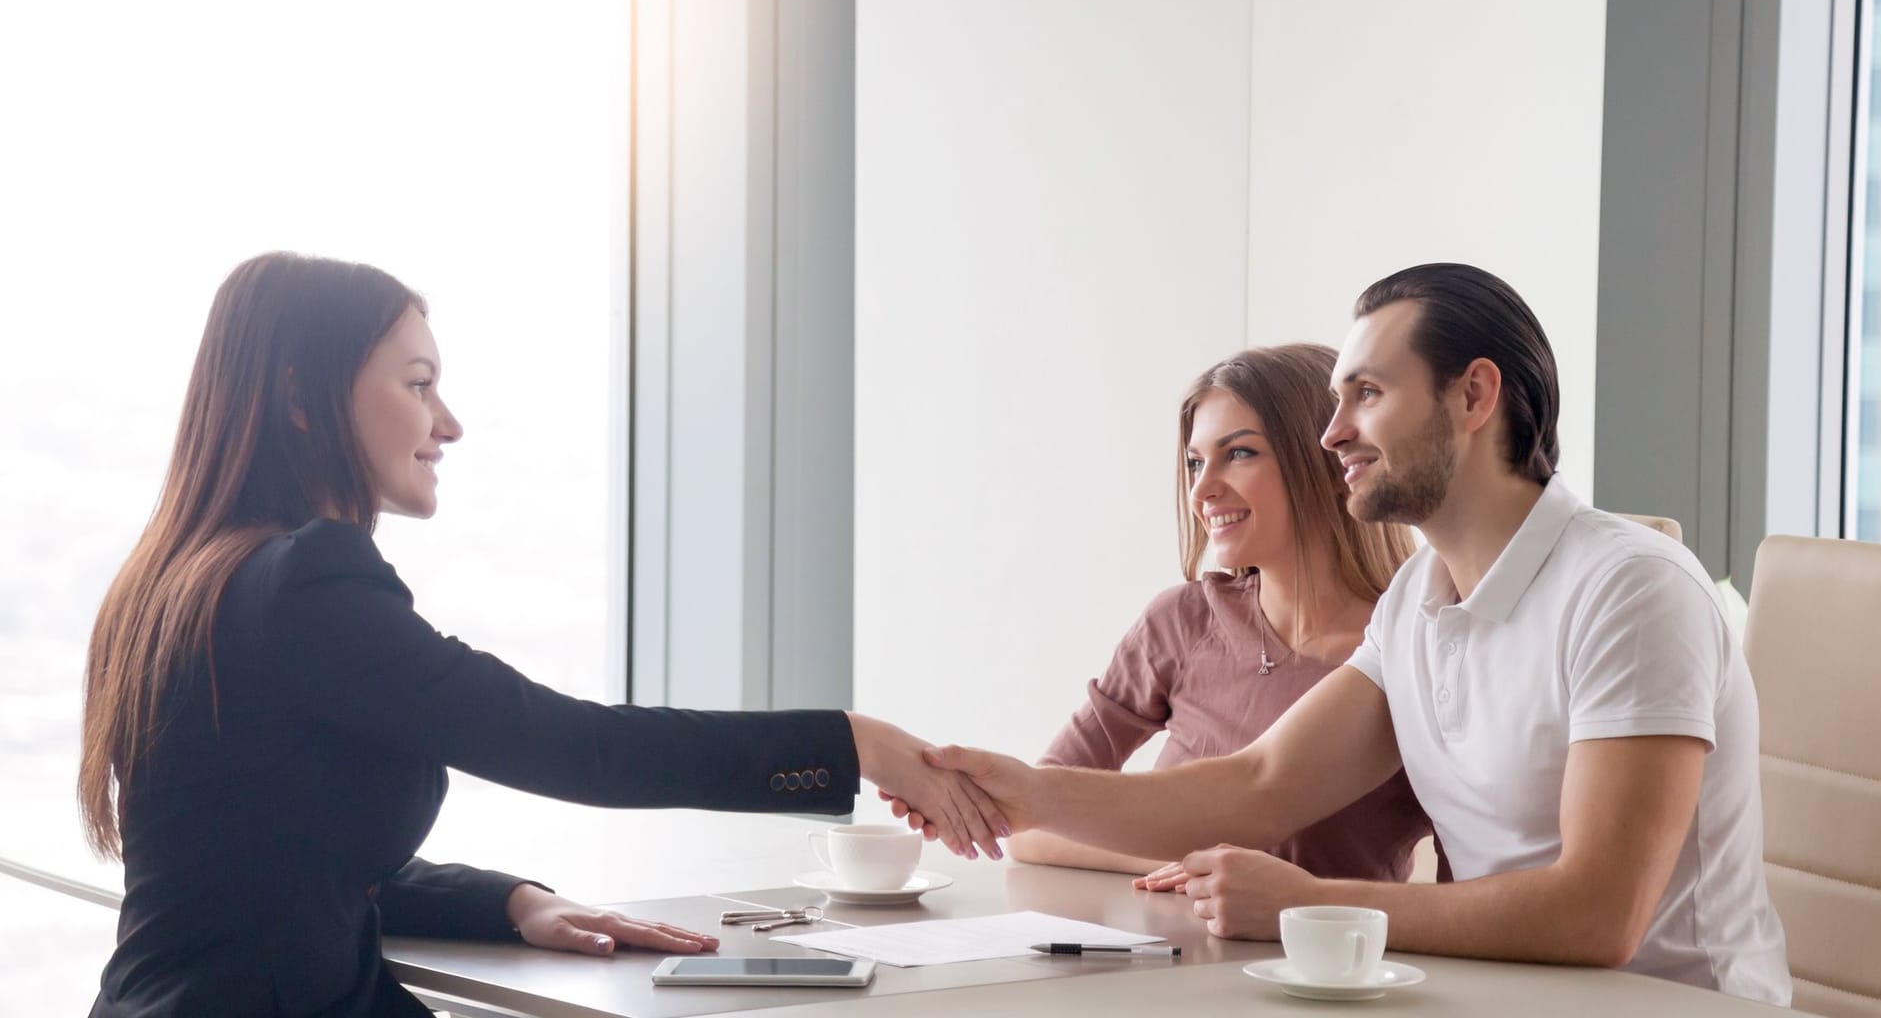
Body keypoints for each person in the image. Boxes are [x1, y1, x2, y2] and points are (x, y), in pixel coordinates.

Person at [78, 252, 1007, 1017]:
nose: (449, 423)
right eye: (418, 384)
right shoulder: (308, 585)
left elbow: (273, 863)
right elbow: (580, 746)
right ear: (300, 399)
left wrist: (514, 901)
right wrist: (856, 743)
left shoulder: (172, 584)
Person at [907, 264, 1790, 1004]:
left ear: (1475, 395)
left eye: (1366, 394)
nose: (1332, 435)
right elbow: (1262, 783)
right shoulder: (1417, 600)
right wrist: (1021, 792)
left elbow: (1599, 915)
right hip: (1503, 994)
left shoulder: (1630, 590)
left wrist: (1313, 903)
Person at [1007, 344, 1435, 888]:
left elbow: (1466, 888)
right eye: (1194, 462)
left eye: (1239, 454)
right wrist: (1192, 863)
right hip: (1154, 962)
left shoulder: (1417, 653)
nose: (1202, 489)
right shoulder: (1181, 623)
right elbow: (1028, 824)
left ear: (1332, 462)